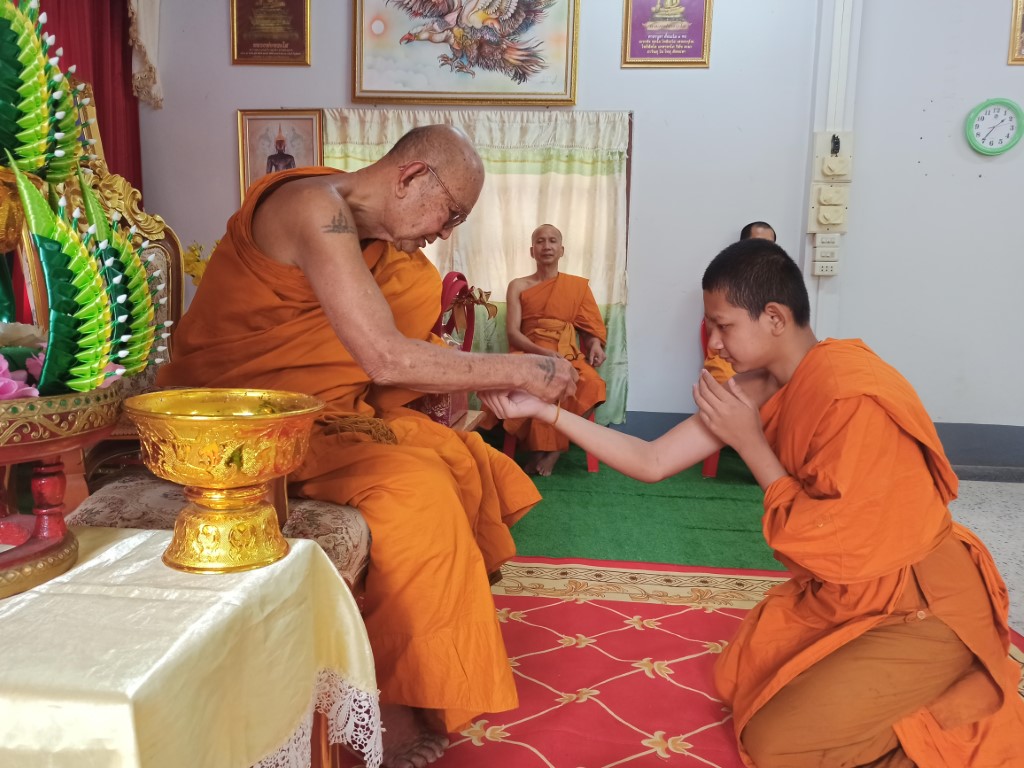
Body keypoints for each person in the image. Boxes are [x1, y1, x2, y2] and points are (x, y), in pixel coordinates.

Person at [480, 238, 1024, 767]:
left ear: (775, 317)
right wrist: (545, 411)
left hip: (920, 603)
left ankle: (950, 713)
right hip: (848, 594)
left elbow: (841, 547)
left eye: (724, 326)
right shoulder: (760, 386)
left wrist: (751, 443)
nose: (714, 344)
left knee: (774, 742)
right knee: (743, 678)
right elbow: (651, 460)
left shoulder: (851, 393)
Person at [158, 124, 578, 768]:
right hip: (244, 425)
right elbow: (382, 356)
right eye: (450, 214)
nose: (444, 232)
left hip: (327, 415)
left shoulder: (378, 244)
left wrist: (456, 381)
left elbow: (373, 356)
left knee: (465, 457)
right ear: (410, 177)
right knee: (419, 491)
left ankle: (427, 655)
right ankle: (394, 698)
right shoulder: (314, 208)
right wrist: (520, 368)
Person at [499, 223, 607, 476]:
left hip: (567, 356)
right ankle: (541, 452)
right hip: (529, 354)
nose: (546, 246)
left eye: (552, 241)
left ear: (561, 250)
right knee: (536, 386)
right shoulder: (518, 285)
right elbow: (513, 333)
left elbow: (589, 328)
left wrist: (595, 345)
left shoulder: (577, 287)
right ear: (532, 251)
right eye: (540, 241)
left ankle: (554, 451)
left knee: (593, 384)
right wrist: (544, 353)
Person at [703, 220, 776, 385]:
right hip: (728, 356)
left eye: (770, 246)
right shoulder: (723, 280)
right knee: (732, 389)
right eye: (757, 245)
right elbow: (714, 329)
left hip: (766, 359)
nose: (763, 252)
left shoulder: (779, 283)